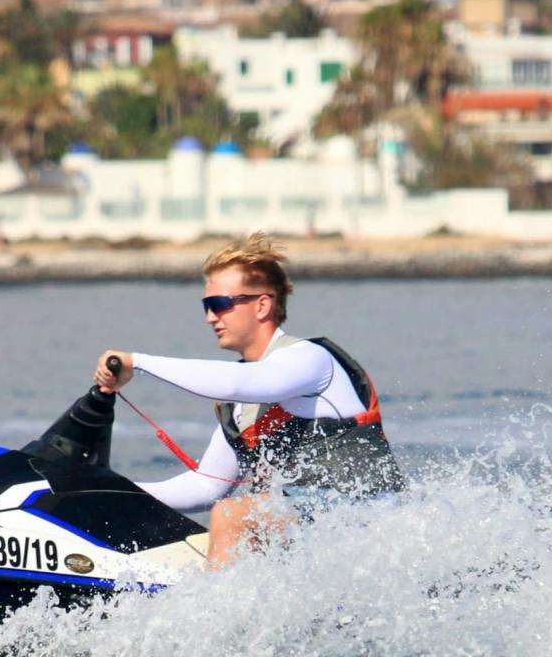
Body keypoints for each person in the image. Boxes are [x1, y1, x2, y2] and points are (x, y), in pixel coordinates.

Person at [95, 233, 403, 567]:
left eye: (220, 305)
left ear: (262, 305)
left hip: (373, 521)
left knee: (232, 515)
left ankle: (217, 617)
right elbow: (207, 485)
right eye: (206, 306)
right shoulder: (240, 407)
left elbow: (246, 383)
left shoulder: (310, 360)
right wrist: (105, 491)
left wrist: (137, 362)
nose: (210, 318)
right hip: (318, 530)